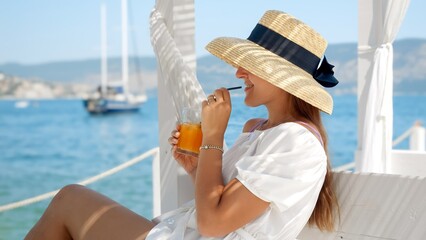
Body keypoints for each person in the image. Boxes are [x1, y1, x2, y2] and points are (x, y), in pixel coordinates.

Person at [25, 10, 339, 240]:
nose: (239, 73)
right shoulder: (258, 129)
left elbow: (214, 224)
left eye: (252, 66)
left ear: (283, 80)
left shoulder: (295, 142)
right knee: (71, 202)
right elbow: (220, 200)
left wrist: (213, 137)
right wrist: (197, 164)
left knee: (71, 199)